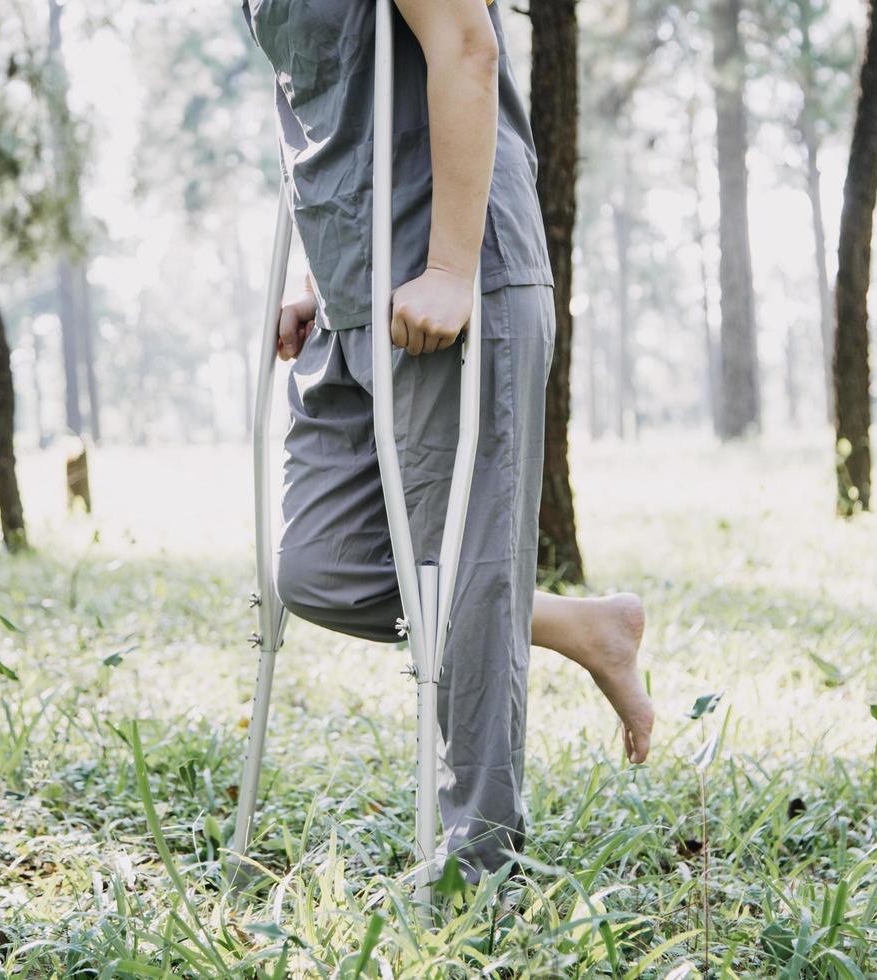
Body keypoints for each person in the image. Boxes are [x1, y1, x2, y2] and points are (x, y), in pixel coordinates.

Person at [241, 0, 653, 879]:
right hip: (360, 292)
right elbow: (341, 110)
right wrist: (325, 275)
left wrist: (452, 271)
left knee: (462, 572)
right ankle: (578, 626)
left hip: (454, 278)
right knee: (317, 568)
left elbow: (466, 47)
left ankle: (480, 866)